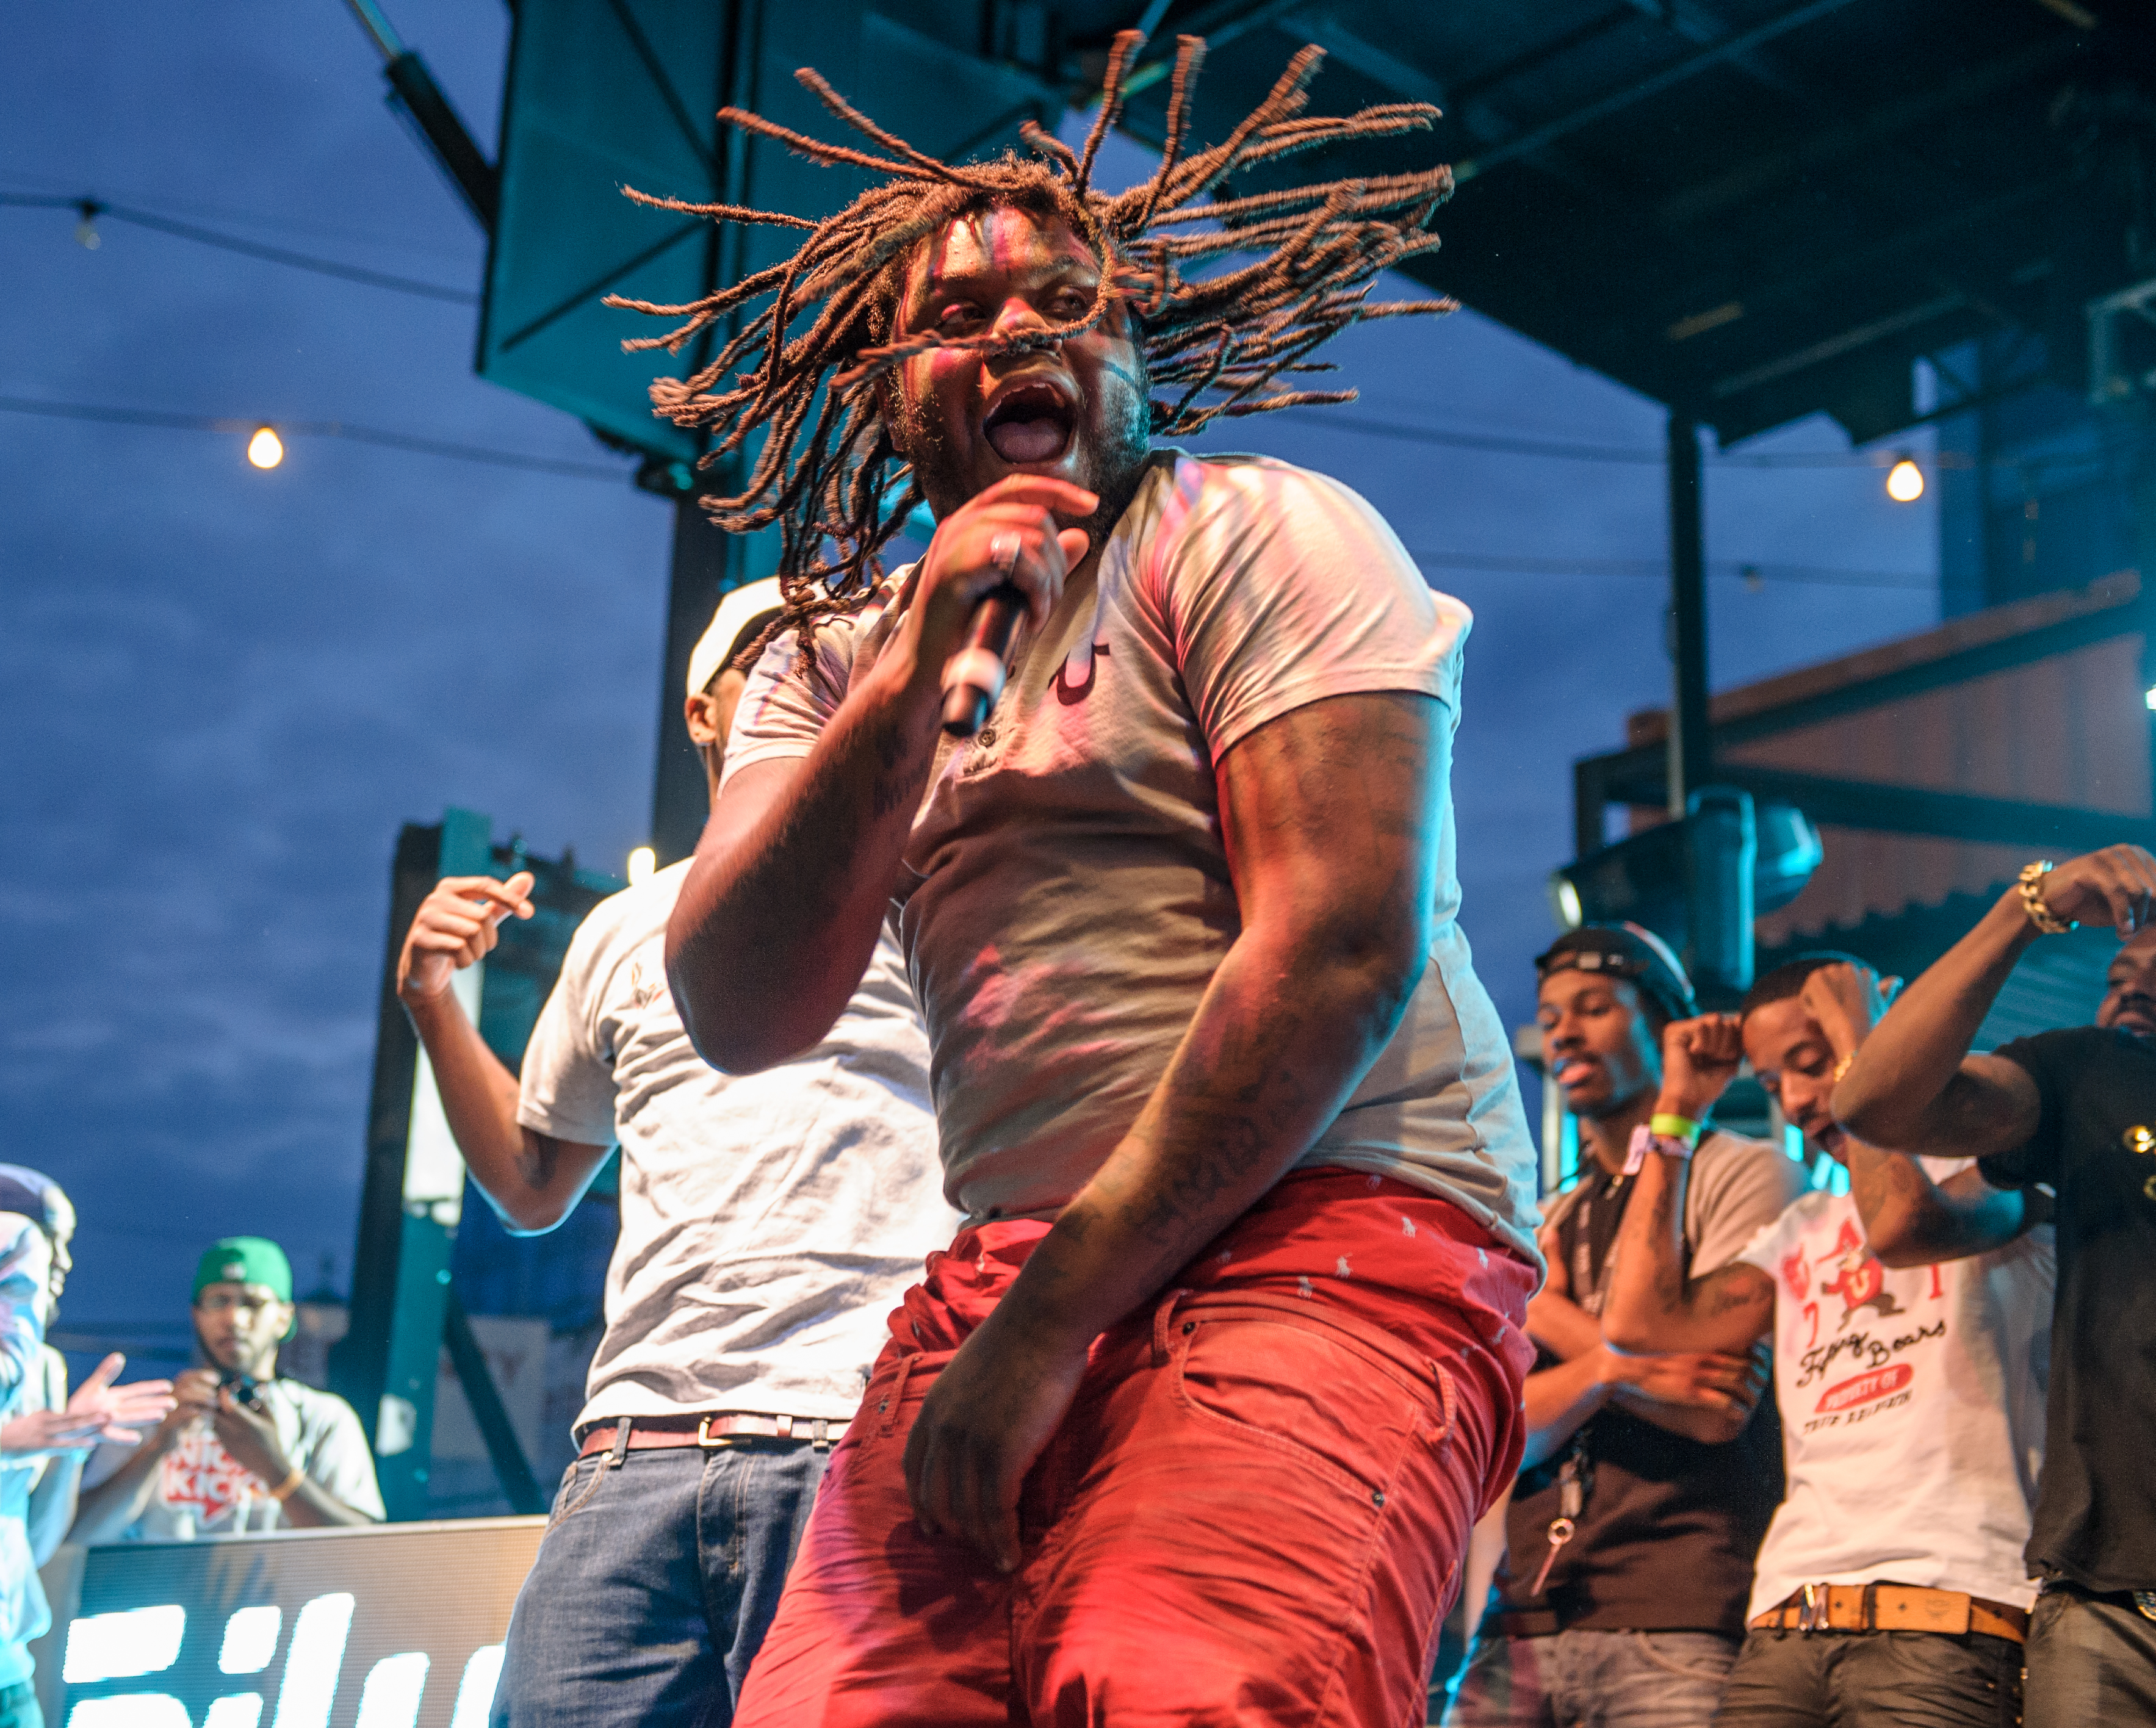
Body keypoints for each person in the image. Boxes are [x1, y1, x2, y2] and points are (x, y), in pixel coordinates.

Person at [654, 32, 1543, 1727]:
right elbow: (737, 1006)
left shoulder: (1257, 530)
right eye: (958, 312)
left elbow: (1336, 950)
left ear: (1132, 350)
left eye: (1067, 299)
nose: (1017, 330)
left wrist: (1050, 1322)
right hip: (1012, 1264)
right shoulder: (824, 660)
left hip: (1332, 1223)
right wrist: (917, 665)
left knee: (1177, 1680)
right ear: (878, 375)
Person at [391, 577, 952, 1727]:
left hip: (858, 1431)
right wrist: (435, 1005)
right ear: (706, 709)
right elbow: (533, 1182)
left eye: (841, 646)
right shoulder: (622, 929)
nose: (816, 665)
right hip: (632, 1454)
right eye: (778, 649)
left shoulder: (927, 874)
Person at [1603, 954, 2055, 1725]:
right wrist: (1676, 1112)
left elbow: (1899, 1226)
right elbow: (1638, 1323)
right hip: (1786, 1618)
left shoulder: (2004, 1175)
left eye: (1813, 1065)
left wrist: (1868, 1035)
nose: (1803, 1100)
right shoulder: (1803, 1227)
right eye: (1776, 1084)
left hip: (1948, 1617)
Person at [1826, 843, 2156, 1725]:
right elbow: (1876, 1105)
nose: (2136, 985)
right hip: (2116, 1599)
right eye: (2123, 969)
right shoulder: (2092, 1074)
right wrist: (2029, 907)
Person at [1446, 929, 1797, 1727]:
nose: (1563, 1030)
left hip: (1679, 1611)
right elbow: (1503, 1437)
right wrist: (1617, 1369)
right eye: (1551, 1014)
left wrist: (1557, 1324)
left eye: (1594, 1009)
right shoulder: (1548, 1220)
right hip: (1523, 1623)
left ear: (1669, 1030)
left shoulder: (1745, 1172)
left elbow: (1716, 1400)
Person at [0, 1168, 171, 1728]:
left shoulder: (44, 1368)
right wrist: (13, 1441)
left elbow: (35, 1544)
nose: (63, 1264)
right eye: (52, 1238)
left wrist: (72, 1444)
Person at [73, 1236, 383, 1542]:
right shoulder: (149, 1412)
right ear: (197, 1314)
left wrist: (276, 1470)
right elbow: (75, 1537)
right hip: (155, 1591)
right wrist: (159, 1445)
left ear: (284, 1318)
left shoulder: (322, 1418)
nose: (234, 1319)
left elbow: (365, 1549)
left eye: (253, 1303)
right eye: (219, 1301)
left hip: (281, 1594)